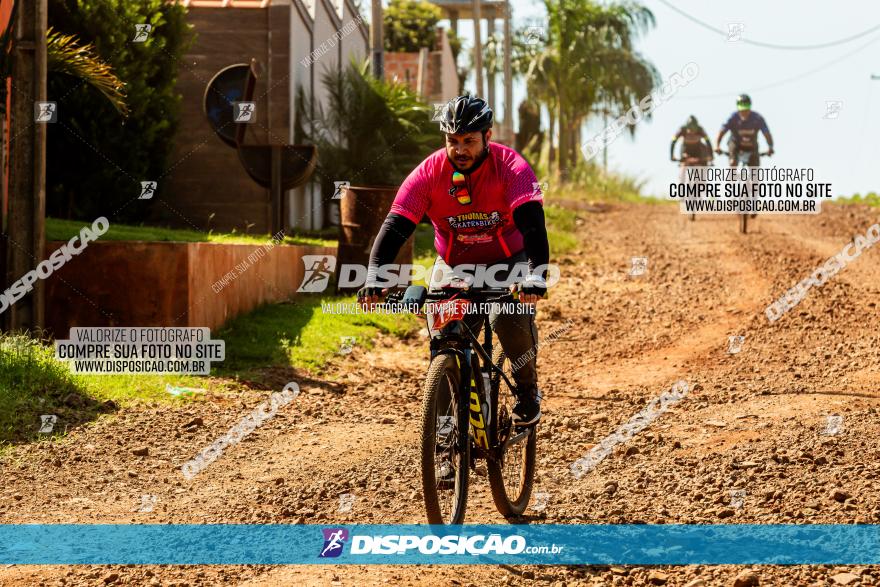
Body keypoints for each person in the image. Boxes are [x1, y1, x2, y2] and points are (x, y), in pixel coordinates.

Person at [357, 95, 549, 427]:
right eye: (453, 141)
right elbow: (396, 227)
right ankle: (446, 442)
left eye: (469, 141)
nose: (460, 150)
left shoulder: (512, 167)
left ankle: (527, 392)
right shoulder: (428, 174)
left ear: (488, 137)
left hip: (508, 259)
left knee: (509, 315)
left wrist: (533, 274)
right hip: (454, 264)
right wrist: (375, 276)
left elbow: (532, 225)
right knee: (445, 341)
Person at [715, 94, 774, 165]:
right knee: (732, 162)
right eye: (742, 111)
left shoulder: (758, 118)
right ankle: (732, 175)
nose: (744, 113)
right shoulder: (732, 118)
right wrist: (717, 146)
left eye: (746, 110)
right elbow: (722, 132)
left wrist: (770, 147)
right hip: (735, 145)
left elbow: (766, 133)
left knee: (755, 171)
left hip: (752, 146)